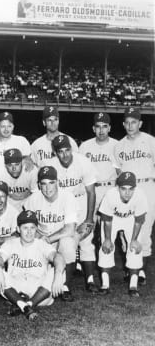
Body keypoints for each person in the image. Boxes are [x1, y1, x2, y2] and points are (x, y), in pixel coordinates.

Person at [45, 135, 98, 293]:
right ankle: (65, 283)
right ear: (55, 152)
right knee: (65, 243)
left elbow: (91, 192)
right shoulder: (50, 165)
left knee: (87, 242)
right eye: (60, 151)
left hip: (80, 202)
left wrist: (89, 218)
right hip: (61, 206)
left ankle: (90, 280)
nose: (65, 154)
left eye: (67, 150)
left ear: (72, 149)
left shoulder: (83, 162)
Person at [0, 210, 65, 320]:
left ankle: (23, 304)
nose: (29, 232)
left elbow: (58, 257)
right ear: (18, 229)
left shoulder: (42, 244)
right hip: (16, 289)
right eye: (25, 228)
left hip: (39, 292)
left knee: (60, 270)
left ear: (36, 229)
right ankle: (26, 305)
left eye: (32, 228)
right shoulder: (10, 244)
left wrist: (58, 275)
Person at [113, 107, 155, 285]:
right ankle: (132, 268)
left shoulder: (151, 141)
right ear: (123, 124)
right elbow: (118, 171)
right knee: (127, 229)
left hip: (147, 185)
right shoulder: (119, 145)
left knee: (145, 228)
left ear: (140, 123)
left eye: (134, 122)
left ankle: (141, 271)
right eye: (127, 122)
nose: (130, 126)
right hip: (129, 189)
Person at [24, 166, 79, 301]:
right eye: (44, 184)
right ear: (39, 185)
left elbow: (70, 229)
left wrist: (48, 239)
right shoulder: (33, 199)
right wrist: (36, 240)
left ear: (57, 182)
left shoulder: (68, 197)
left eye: (51, 183)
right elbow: (28, 225)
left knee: (68, 244)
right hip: (41, 238)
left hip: (59, 237)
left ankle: (65, 286)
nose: (48, 188)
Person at [98, 172, 148, 297]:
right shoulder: (110, 195)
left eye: (131, 189)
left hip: (131, 219)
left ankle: (133, 285)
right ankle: (105, 284)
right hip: (113, 219)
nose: (127, 193)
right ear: (118, 187)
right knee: (106, 248)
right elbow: (107, 220)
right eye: (123, 189)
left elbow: (139, 220)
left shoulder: (140, 195)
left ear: (135, 188)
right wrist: (108, 239)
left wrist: (134, 240)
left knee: (135, 248)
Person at [79, 112, 118, 223]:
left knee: (109, 228)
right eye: (98, 126)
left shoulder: (117, 145)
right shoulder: (84, 146)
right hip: (90, 190)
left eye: (104, 126)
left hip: (110, 189)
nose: (101, 130)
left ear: (109, 128)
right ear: (93, 128)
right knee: (87, 226)